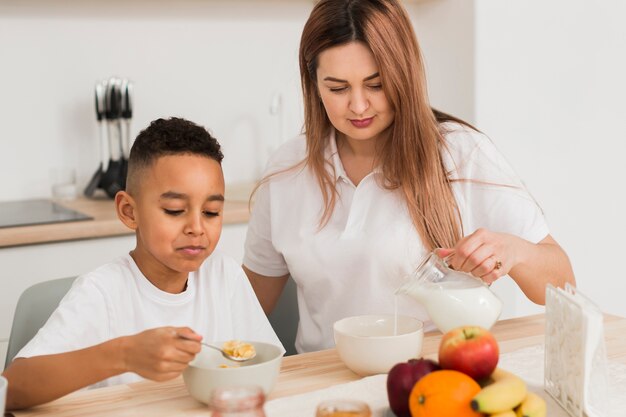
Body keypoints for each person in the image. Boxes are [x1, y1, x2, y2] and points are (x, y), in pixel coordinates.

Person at [242, 0, 576, 353]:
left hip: (434, 380)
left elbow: (562, 281)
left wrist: (514, 250)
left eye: (376, 84)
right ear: (314, 84)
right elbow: (246, 309)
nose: (357, 105)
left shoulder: (460, 154)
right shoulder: (287, 168)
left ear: (404, 75)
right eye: (337, 88)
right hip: (325, 383)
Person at [3, 117, 283, 410]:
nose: (197, 228)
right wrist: (123, 355)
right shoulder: (102, 293)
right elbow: (12, 388)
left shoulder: (224, 277)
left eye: (211, 212)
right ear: (129, 211)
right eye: (175, 210)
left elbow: (267, 364)